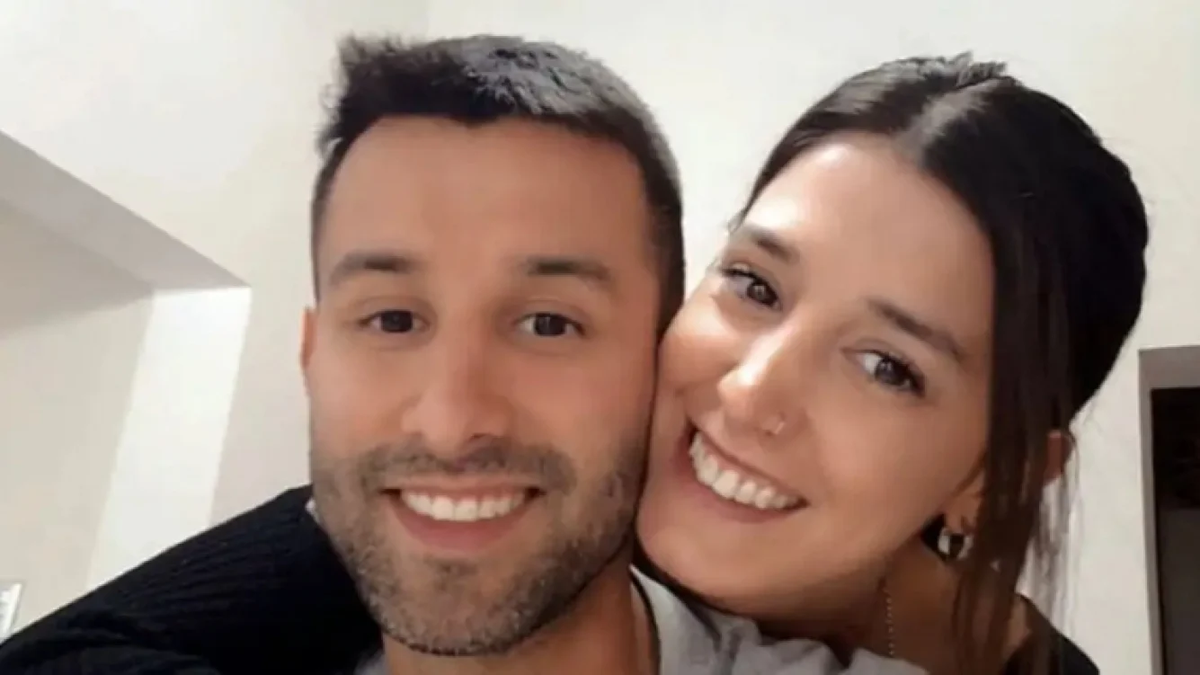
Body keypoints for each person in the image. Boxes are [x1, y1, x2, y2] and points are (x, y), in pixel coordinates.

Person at [0, 49, 1147, 675]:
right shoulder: (547, 498)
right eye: (755, 286)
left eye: (888, 365)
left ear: (999, 474)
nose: (748, 390)